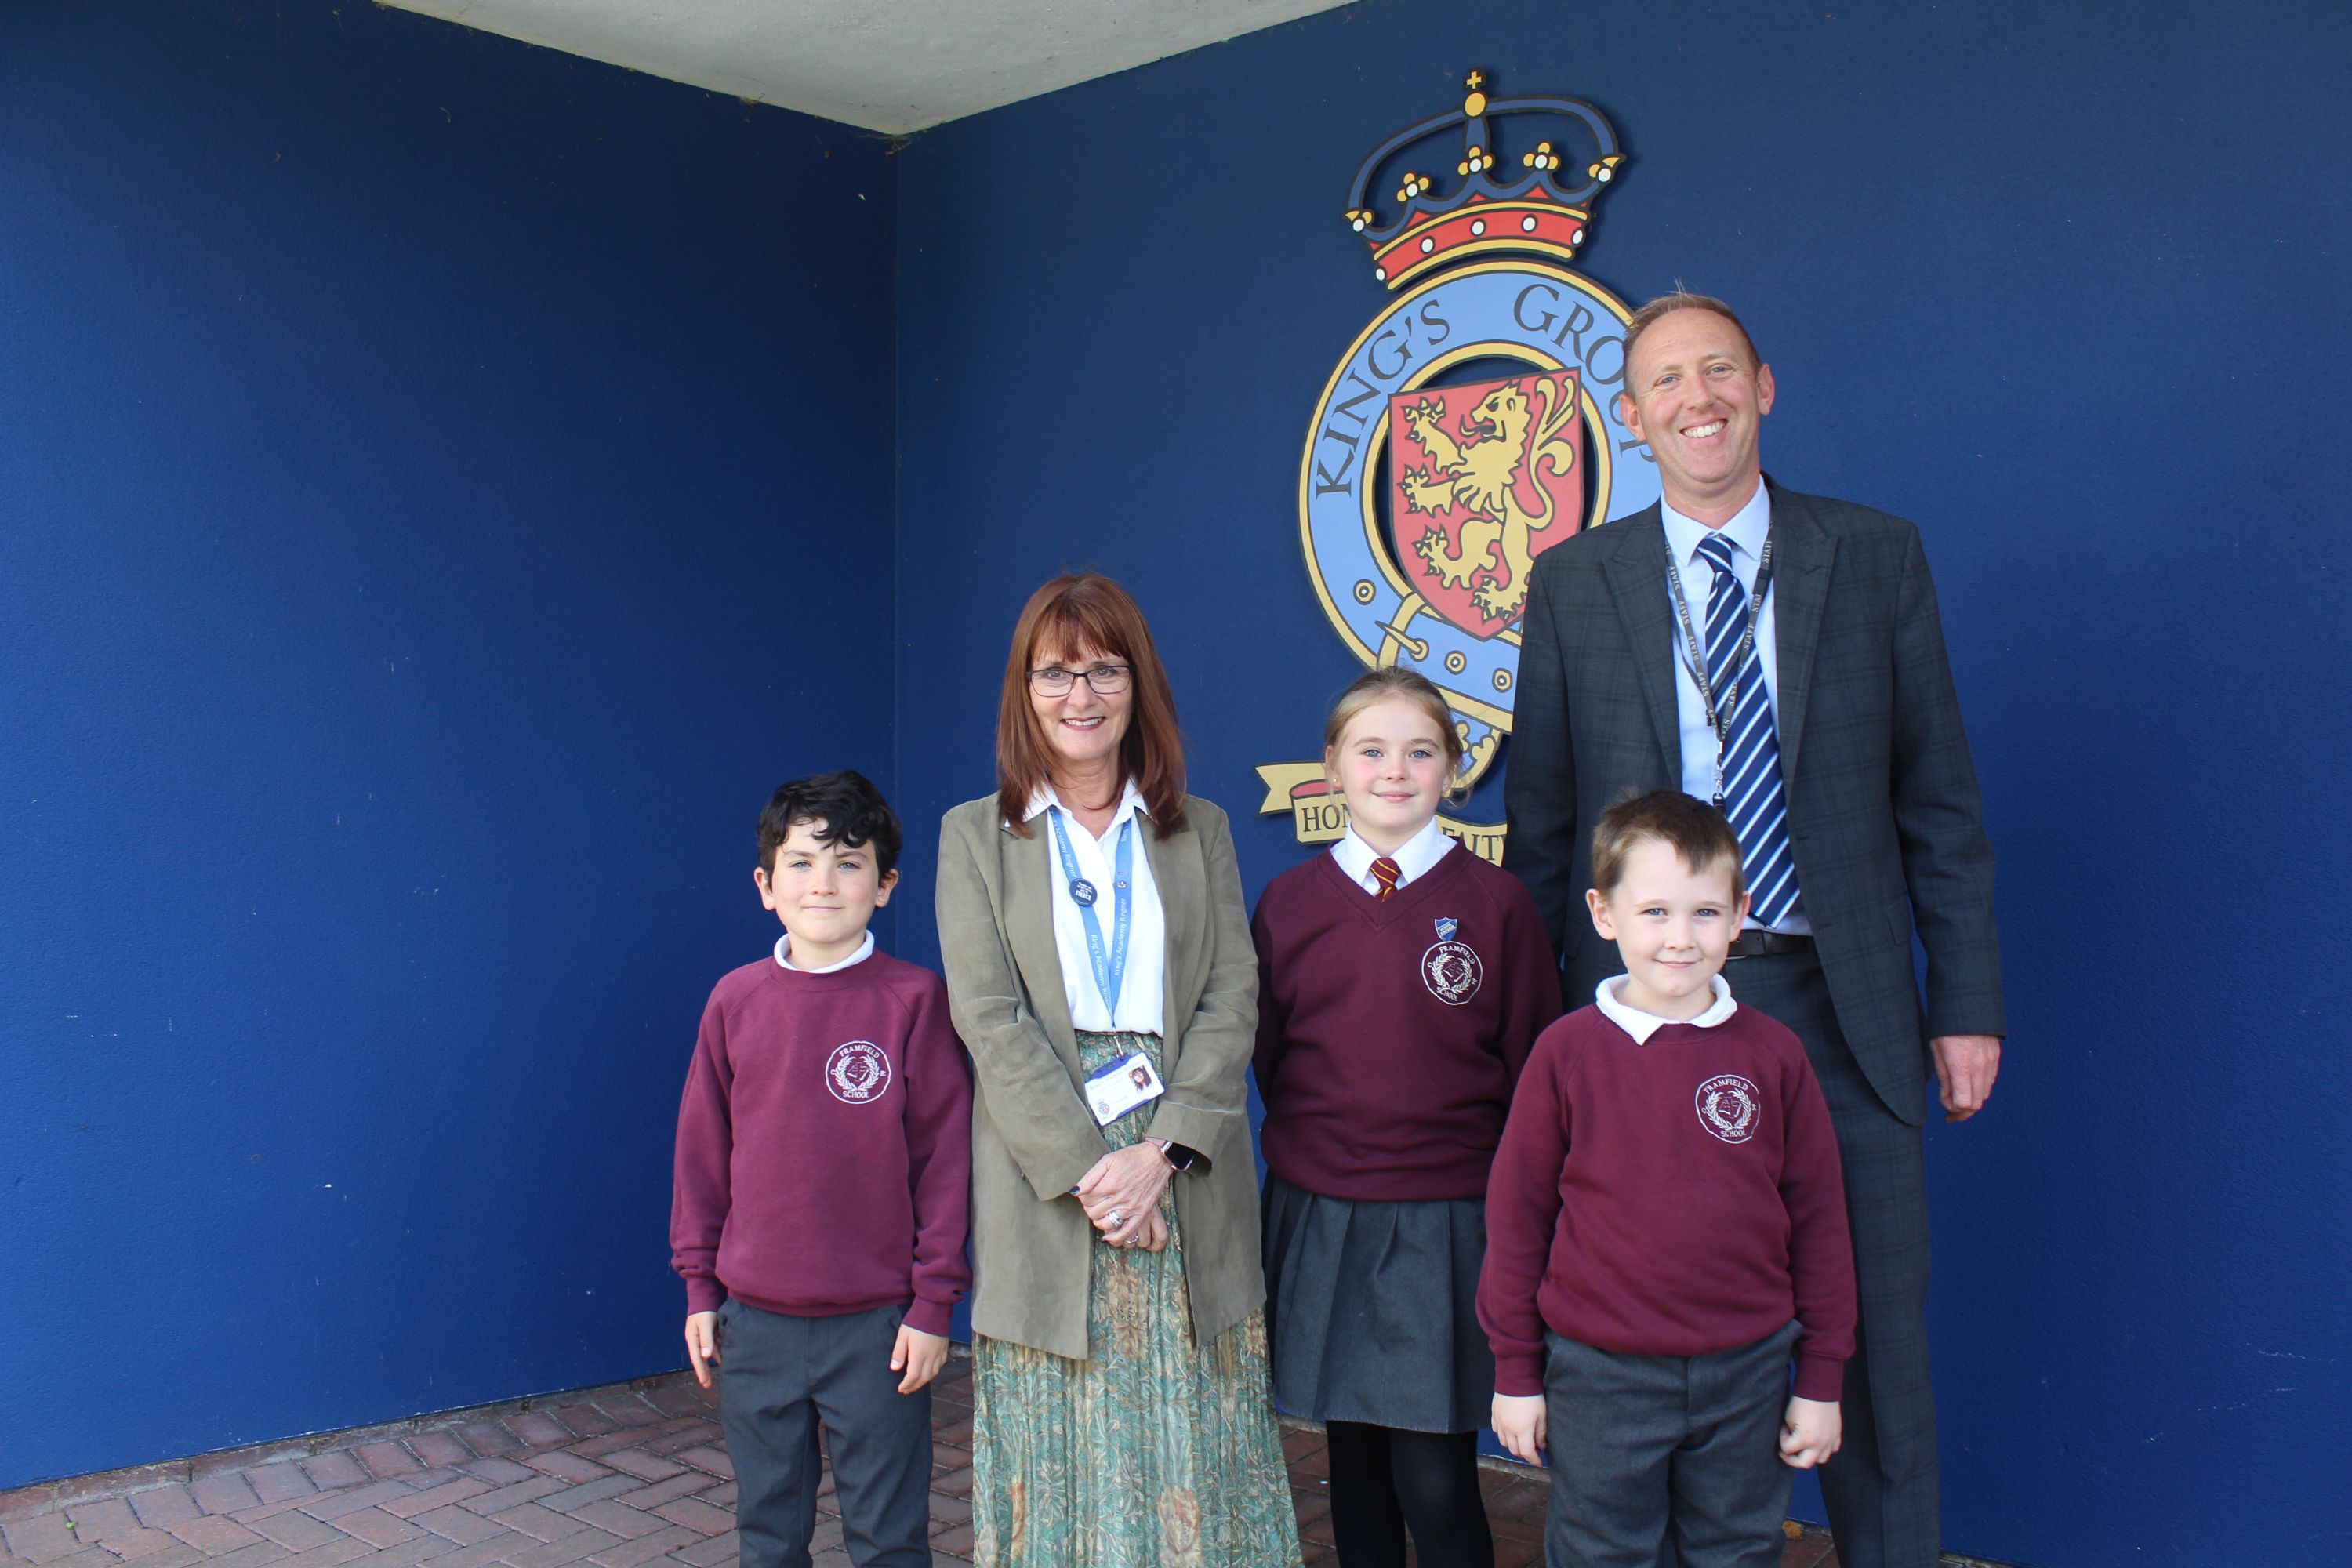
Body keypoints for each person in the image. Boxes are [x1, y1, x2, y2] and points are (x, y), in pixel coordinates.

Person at [1503, 292, 2005, 1567]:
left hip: (1843, 1009)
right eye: (1668, 382)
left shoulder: (1873, 554)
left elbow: (1939, 801)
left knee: (1877, 1344)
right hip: (1648, 1019)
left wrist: (1965, 1002)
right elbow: (1543, 824)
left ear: (1764, 387)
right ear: (1632, 417)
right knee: (1658, 1342)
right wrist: (1546, 1030)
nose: (1700, 399)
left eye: (1719, 370)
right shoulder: (1574, 581)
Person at [934, 574, 1301, 1568]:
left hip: (1183, 1159)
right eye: (1056, 671)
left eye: (1105, 668)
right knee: (1059, 1432)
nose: (1081, 694)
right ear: (1024, 688)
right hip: (1049, 1166)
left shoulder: (1200, 826)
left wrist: (1160, 1154)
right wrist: (1095, 1171)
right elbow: (988, 1014)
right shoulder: (974, 834)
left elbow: (1232, 993)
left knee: (1196, 1426)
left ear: (1140, 684)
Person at [1479, 790, 1857, 1568]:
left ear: (1740, 913)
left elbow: (1819, 1219)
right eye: (1654, 912)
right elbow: (1517, 1221)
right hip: (1600, 1371)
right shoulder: (1566, 1053)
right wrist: (1516, 1370)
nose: (1681, 938)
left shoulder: (1775, 1054)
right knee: (1601, 1551)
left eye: (1705, 912)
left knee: (1736, 1549)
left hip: (1746, 1369)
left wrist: (1821, 1378)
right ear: (1603, 913)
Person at [1250, 669, 1560, 1568]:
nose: (1396, 769)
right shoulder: (1289, 904)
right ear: (1332, 767)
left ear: (1454, 769)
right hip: (1326, 1209)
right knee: (1353, 1462)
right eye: (1373, 749)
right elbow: (1272, 1057)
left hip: (1446, 1217)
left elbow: (1533, 1071)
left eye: (1420, 751)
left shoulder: (1497, 904)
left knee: (1435, 1473)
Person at [670, 771, 973, 1568]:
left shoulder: (915, 1000)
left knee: (889, 1538)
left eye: (848, 862)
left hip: (879, 1327)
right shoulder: (734, 1000)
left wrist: (933, 1304)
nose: (824, 883)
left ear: (886, 884)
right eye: (801, 862)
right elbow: (702, 1155)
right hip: (754, 1322)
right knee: (769, 1535)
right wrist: (700, 1287)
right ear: (766, 885)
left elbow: (946, 1162)